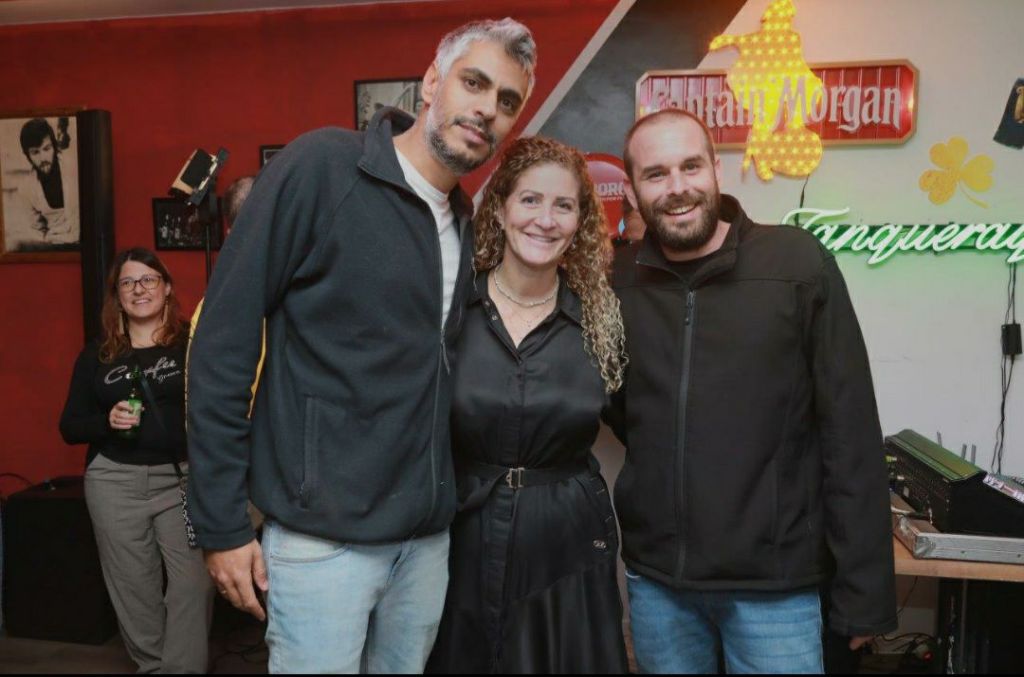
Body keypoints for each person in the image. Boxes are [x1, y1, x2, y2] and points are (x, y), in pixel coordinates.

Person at [186, 18, 536, 674]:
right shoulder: (323, 167)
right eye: (474, 83)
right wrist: (221, 522)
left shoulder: (465, 222)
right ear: (431, 83)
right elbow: (221, 341)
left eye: (507, 101)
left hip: (424, 543)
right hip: (322, 543)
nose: (488, 108)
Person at [605, 108, 897, 674]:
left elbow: (850, 432)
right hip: (660, 586)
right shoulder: (619, 281)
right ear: (634, 191)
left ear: (717, 170)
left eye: (691, 166)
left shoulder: (796, 263)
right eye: (656, 173)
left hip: (776, 591)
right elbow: (626, 411)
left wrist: (864, 594)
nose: (677, 187)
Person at [426, 136, 629, 673]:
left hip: (566, 548)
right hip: (460, 539)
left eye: (563, 205)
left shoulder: (601, 321)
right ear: (500, 208)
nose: (546, 219)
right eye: (530, 200)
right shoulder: (452, 310)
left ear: (580, 222)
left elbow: (644, 425)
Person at [59, 248, 214, 674]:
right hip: (115, 483)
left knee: (194, 583)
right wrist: (106, 421)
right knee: (135, 589)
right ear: (118, 296)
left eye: (148, 279)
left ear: (167, 288)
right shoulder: (98, 355)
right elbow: (69, 426)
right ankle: (153, 667)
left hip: (181, 481)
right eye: (127, 282)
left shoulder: (192, 344)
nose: (138, 289)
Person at [11, 118, 78, 246]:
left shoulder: (74, 167)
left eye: (47, 149)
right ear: (27, 155)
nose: (43, 158)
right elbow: (36, 229)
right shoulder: (26, 188)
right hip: (55, 245)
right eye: (35, 152)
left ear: (54, 146)